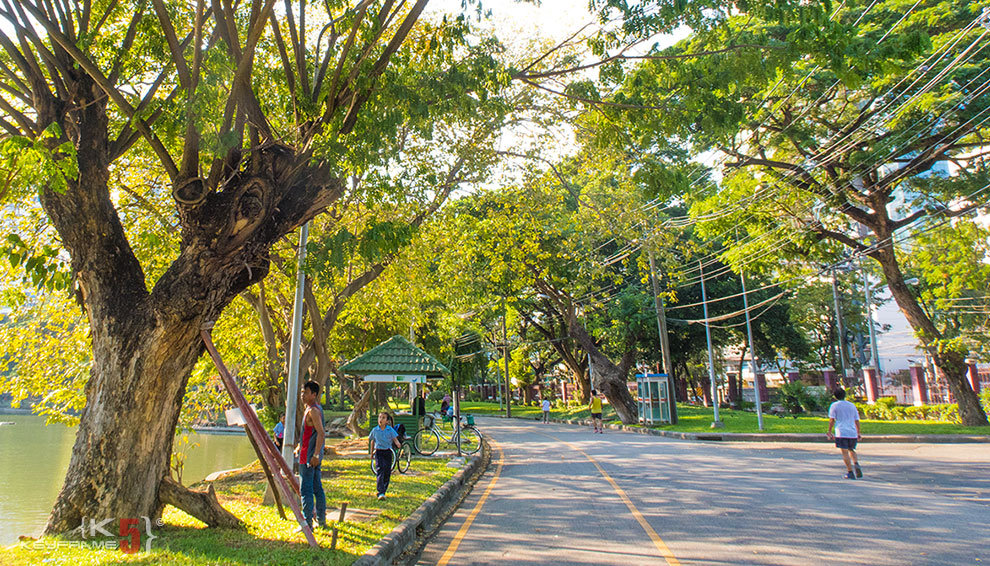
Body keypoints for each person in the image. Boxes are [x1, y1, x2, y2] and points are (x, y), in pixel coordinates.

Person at [294, 381, 326, 529]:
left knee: (306, 490)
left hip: (309, 457)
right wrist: (300, 445)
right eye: (302, 392)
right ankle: (321, 520)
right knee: (316, 487)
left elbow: (321, 433)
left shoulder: (314, 411)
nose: (303, 395)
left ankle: (307, 523)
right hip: (306, 453)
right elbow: (310, 433)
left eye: (306, 393)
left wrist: (316, 455)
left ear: (314, 394)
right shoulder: (310, 409)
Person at [826, 387, 863, 480]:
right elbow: (857, 420)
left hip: (841, 431)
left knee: (844, 452)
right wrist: (858, 432)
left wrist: (829, 431)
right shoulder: (851, 405)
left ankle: (850, 472)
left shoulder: (834, 405)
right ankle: (856, 463)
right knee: (852, 449)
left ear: (835, 396)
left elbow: (832, 420)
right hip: (852, 431)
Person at [369, 412, 401, 500]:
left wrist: (397, 443)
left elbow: (394, 438)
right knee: (380, 470)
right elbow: (372, 441)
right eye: (380, 417)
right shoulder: (375, 430)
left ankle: (384, 489)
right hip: (379, 452)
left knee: (387, 471)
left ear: (387, 421)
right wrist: (371, 453)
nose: (381, 419)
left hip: (387, 452)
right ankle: (381, 492)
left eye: (383, 418)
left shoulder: (390, 430)